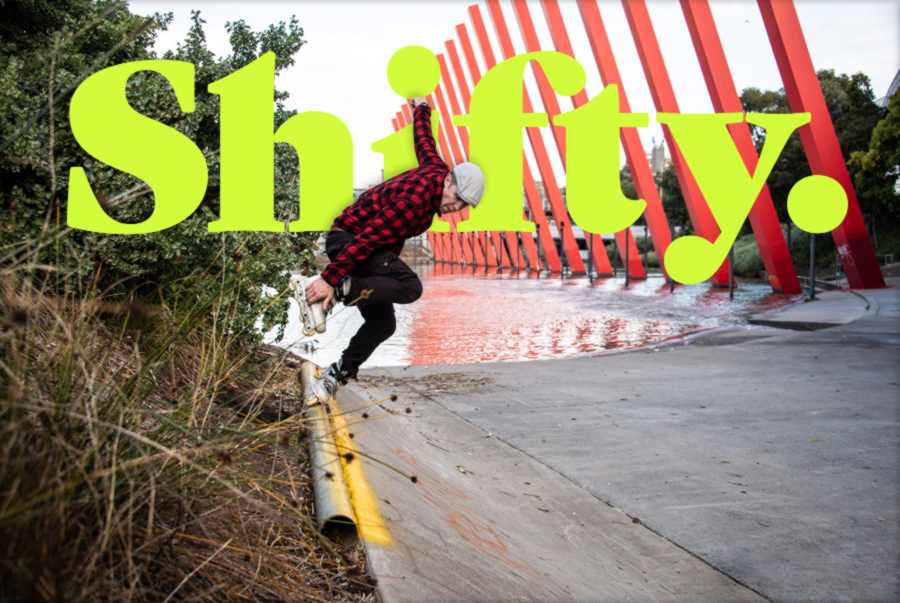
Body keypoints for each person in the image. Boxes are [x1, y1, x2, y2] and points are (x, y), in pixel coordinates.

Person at [303, 97, 485, 401]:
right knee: (410, 287)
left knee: (383, 323)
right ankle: (341, 289)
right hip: (351, 242)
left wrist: (421, 109)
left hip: (356, 247)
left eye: (463, 205)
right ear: (449, 180)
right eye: (457, 197)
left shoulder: (435, 169)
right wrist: (330, 279)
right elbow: (369, 239)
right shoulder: (415, 204)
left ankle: (334, 376)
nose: (456, 206)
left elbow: (424, 141)